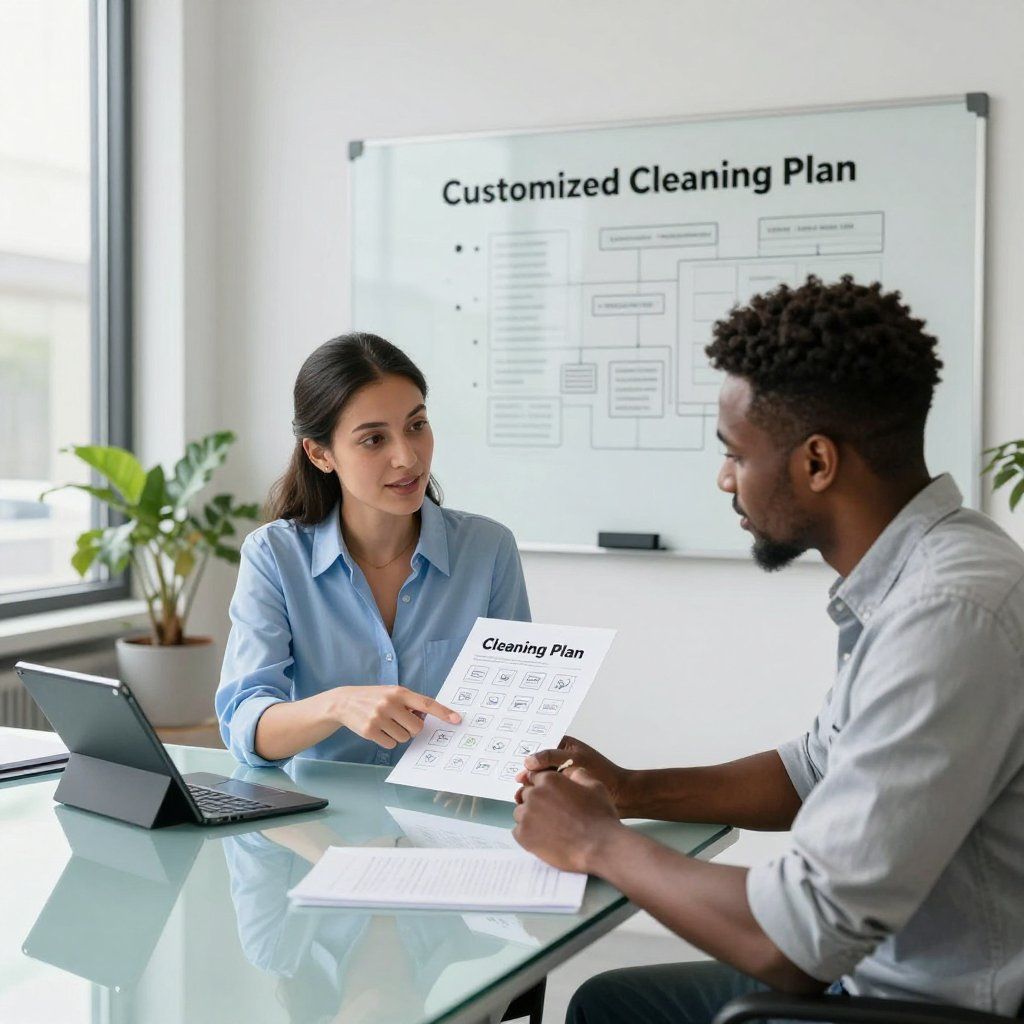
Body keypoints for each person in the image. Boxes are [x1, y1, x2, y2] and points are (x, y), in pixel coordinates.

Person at [513, 276, 1024, 1023]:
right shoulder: (928, 569)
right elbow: (817, 767)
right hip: (871, 974)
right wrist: (630, 789)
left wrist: (599, 844)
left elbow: (797, 943)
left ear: (816, 463)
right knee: (611, 1003)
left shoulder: (947, 615)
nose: (725, 478)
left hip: (925, 1007)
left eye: (735, 454)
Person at [216, 332, 530, 768]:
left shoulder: (488, 550)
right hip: (316, 824)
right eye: (374, 440)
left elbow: (513, 711)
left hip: (446, 818)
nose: (408, 457)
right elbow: (245, 727)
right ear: (320, 454)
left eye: (416, 426)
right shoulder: (273, 556)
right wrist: (339, 705)